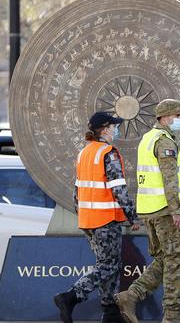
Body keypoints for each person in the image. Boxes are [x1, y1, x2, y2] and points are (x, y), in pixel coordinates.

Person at [54, 112, 139, 323]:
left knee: (109, 264)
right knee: (108, 265)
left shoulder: (84, 153)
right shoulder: (108, 153)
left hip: (88, 220)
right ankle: (71, 297)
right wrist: (133, 217)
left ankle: (110, 313)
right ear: (105, 129)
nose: (116, 130)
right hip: (105, 220)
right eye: (114, 126)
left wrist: (83, 214)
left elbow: (76, 191)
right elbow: (118, 189)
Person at [114, 99, 180, 323]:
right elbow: (170, 179)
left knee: (163, 259)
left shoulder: (148, 138)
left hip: (149, 210)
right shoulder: (164, 141)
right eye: (178, 115)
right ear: (166, 117)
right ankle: (172, 315)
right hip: (165, 211)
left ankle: (131, 295)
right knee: (178, 260)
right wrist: (176, 210)